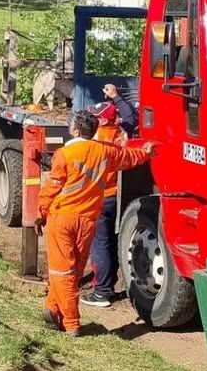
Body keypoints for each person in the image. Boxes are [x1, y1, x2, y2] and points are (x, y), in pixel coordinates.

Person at [36, 109, 156, 336]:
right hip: (88, 220)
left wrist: (41, 213)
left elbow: (51, 189)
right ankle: (52, 309)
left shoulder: (63, 155)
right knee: (72, 271)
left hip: (62, 218)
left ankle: (71, 322)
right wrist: (146, 152)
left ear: (74, 130)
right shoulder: (105, 151)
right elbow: (129, 157)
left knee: (62, 272)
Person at [80, 101, 128, 309]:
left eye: (95, 116)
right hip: (118, 196)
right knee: (111, 241)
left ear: (102, 119)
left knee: (100, 244)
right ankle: (108, 283)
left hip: (101, 196)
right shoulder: (121, 134)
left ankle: (101, 291)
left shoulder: (97, 140)